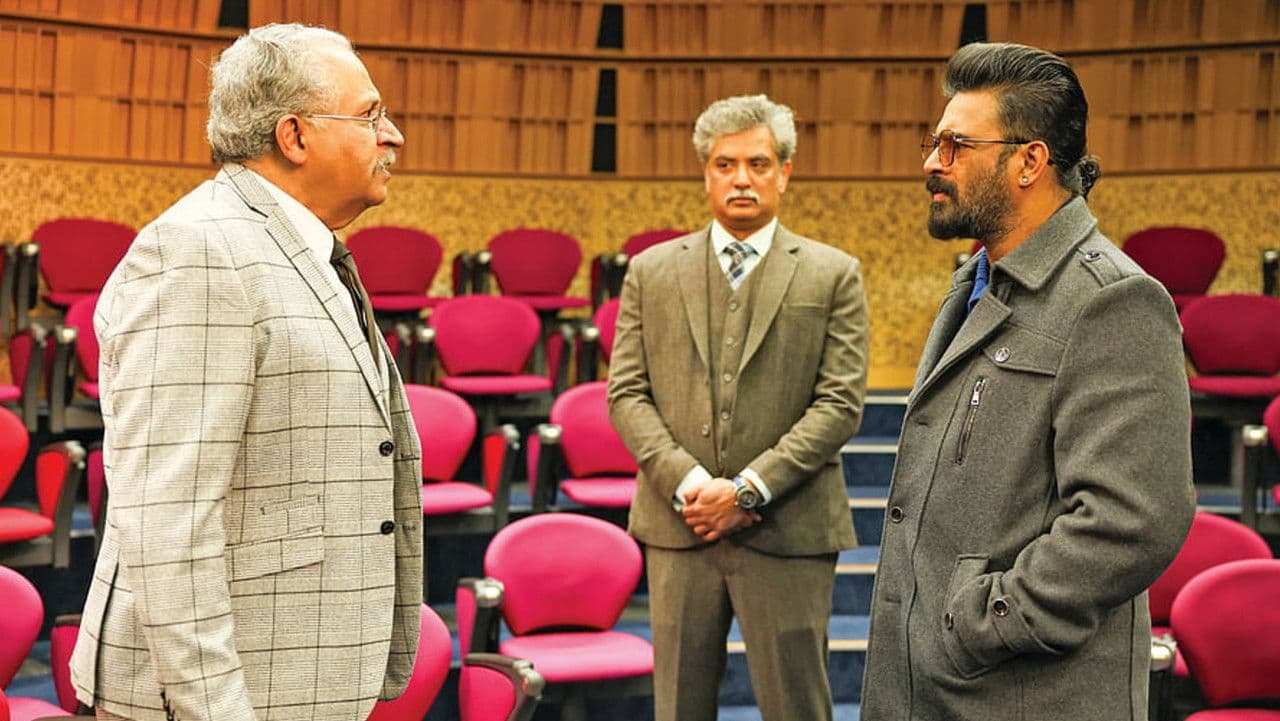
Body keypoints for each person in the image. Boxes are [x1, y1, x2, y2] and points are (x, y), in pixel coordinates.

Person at [70, 23, 423, 721]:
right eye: (370, 115)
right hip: (220, 695)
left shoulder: (293, 246)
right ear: (294, 136)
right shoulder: (196, 251)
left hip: (293, 671)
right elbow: (167, 519)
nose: (393, 136)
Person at [860, 42, 1196, 721]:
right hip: (937, 691)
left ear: (1029, 161)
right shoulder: (976, 282)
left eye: (955, 146)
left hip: (1020, 694)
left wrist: (980, 623)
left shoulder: (1111, 299)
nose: (932, 163)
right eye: (934, 143)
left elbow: (1133, 521)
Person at [607, 94, 869, 721]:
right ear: (706, 174)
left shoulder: (834, 274)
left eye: (758, 163)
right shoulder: (650, 271)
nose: (742, 179)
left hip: (790, 527)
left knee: (797, 707)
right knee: (678, 708)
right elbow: (626, 393)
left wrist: (749, 489)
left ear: (785, 172)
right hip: (680, 526)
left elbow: (839, 403)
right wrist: (692, 485)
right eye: (725, 165)